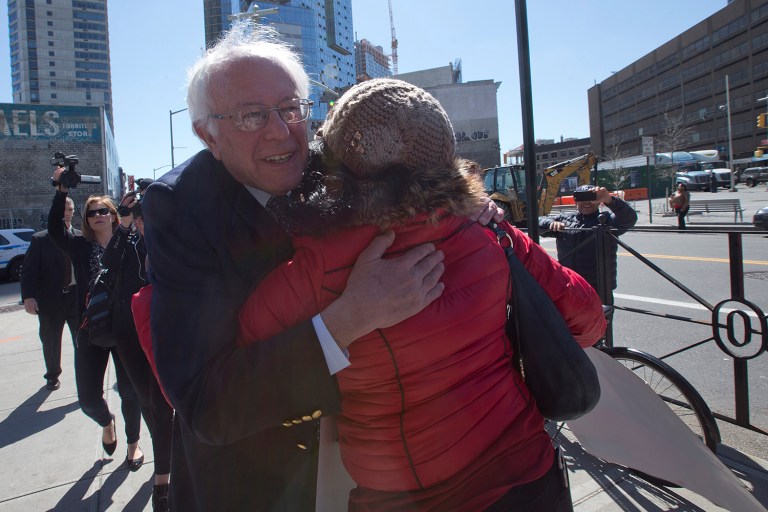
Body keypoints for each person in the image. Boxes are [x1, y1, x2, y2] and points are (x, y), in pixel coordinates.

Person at [140, 22, 499, 511]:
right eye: (251, 115)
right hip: (258, 481)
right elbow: (207, 404)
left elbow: (422, 191)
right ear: (207, 133)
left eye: (291, 108)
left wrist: (469, 208)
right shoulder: (182, 208)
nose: (280, 129)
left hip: (378, 466)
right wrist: (349, 319)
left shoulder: (338, 160)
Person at [237, 78, 607, 511]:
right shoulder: (488, 232)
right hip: (523, 477)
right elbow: (588, 320)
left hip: (396, 496)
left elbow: (238, 367)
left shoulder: (312, 264)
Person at [47, 174, 144, 472]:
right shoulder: (79, 246)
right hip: (91, 330)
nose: (99, 215)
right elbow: (54, 228)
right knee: (88, 399)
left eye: (104, 210)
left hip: (127, 329)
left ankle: (132, 444)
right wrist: (61, 190)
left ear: (114, 215)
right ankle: (106, 421)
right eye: (93, 212)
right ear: (86, 220)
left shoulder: (132, 241)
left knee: (130, 392)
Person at [101, 188, 173, 511]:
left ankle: (163, 479)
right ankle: (161, 456)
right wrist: (126, 226)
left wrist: (149, 226)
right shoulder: (125, 238)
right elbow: (109, 262)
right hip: (128, 332)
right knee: (145, 400)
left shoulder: (162, 235)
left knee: (161, 404)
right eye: (135, 212)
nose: (140, 218)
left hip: (158, 325)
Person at [539, 184, 638, 304]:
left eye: (591, 198)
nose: (587, 202)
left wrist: (610, 200)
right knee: (570, 321)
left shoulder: (608, 220)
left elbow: (629, 218)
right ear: (575, 201)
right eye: (582, 198)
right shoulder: (564, 219)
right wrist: (549, 223)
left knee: (601, 322)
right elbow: (537, 222)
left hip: (599, 287)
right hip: (570, 285)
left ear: (598, 201)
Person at [20, 197, 80, 391]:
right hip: (50, 300)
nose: (66, 212)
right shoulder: (40, 239)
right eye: (62, 209)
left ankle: (86, 374)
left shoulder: (81, 237)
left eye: (69, 209)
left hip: (76, 298)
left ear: (73, 212)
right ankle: (52, 375)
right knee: (51, 341)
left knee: (83, 341)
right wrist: (28, 297)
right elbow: (29, 271)